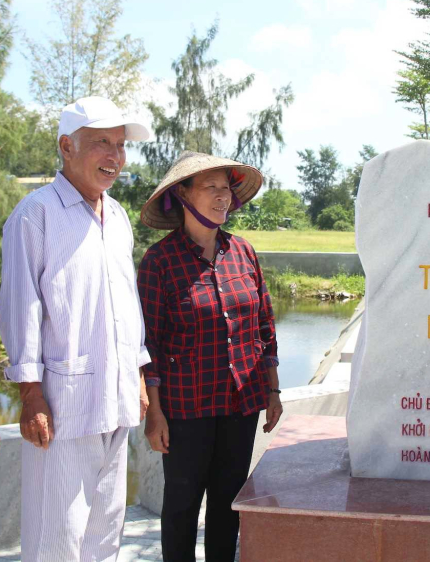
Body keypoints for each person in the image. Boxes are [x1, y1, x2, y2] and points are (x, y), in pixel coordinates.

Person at [0, 96, 153, 562]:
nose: (115, 157)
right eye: (102, 142)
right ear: (67, 146)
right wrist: (30, 394)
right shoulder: (36, 213)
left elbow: (127, 304)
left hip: (117, 395)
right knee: (56, 537)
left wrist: (139, 375)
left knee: (105, 532)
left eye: (121, 145)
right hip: (63, 403)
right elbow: (20, 306)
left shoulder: (118, 216)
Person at [138, 151, 283, 562]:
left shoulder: (243, 252)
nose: (223, 196)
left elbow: (264, 328)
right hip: (186, 410)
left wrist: (272, 391)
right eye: (211, 187)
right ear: (182, 195)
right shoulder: (159, 263)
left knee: (228, 504)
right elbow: (150, 345)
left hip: (241, 403)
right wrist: (155, 411)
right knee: (182, 506)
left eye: (227, 187)